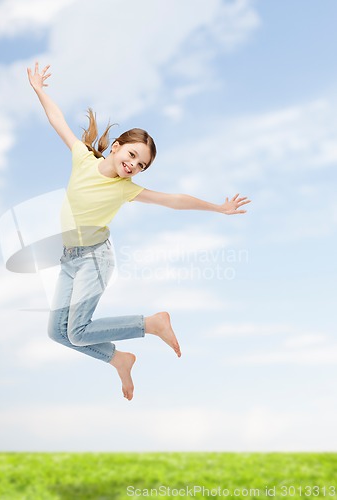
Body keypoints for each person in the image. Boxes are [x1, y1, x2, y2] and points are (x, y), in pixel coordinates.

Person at [27, 62, 250, 401]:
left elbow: (173, 200)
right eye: (132, 155)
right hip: (69, 259)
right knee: (59, 334)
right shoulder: (82, 159)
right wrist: (40, 90)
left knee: (78, 330)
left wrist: (218, 208)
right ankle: (120, 359)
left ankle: (152, 323)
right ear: (116, 146)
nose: (133, 165)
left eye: (141, 164)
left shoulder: (124, 189)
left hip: (95, 260)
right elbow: (57, 119)